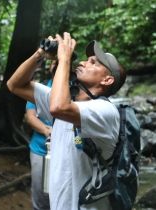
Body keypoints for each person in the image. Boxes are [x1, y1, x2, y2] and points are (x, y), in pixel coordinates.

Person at [7, 32, 126, 210]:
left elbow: (58, 108)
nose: (84, 62)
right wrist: (40, 54)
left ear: (107, 80)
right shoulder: (69, 102)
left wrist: (64, 60)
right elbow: (15, 85)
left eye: (93, 63)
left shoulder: (106, 111)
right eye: (87, 59)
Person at [24, 60, 56, 210]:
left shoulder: (76, 91)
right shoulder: (40, 89)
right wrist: (47, 130)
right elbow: (30, 117)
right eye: (55, 62)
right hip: (40, 149)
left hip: (69, 153)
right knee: (40, 194)